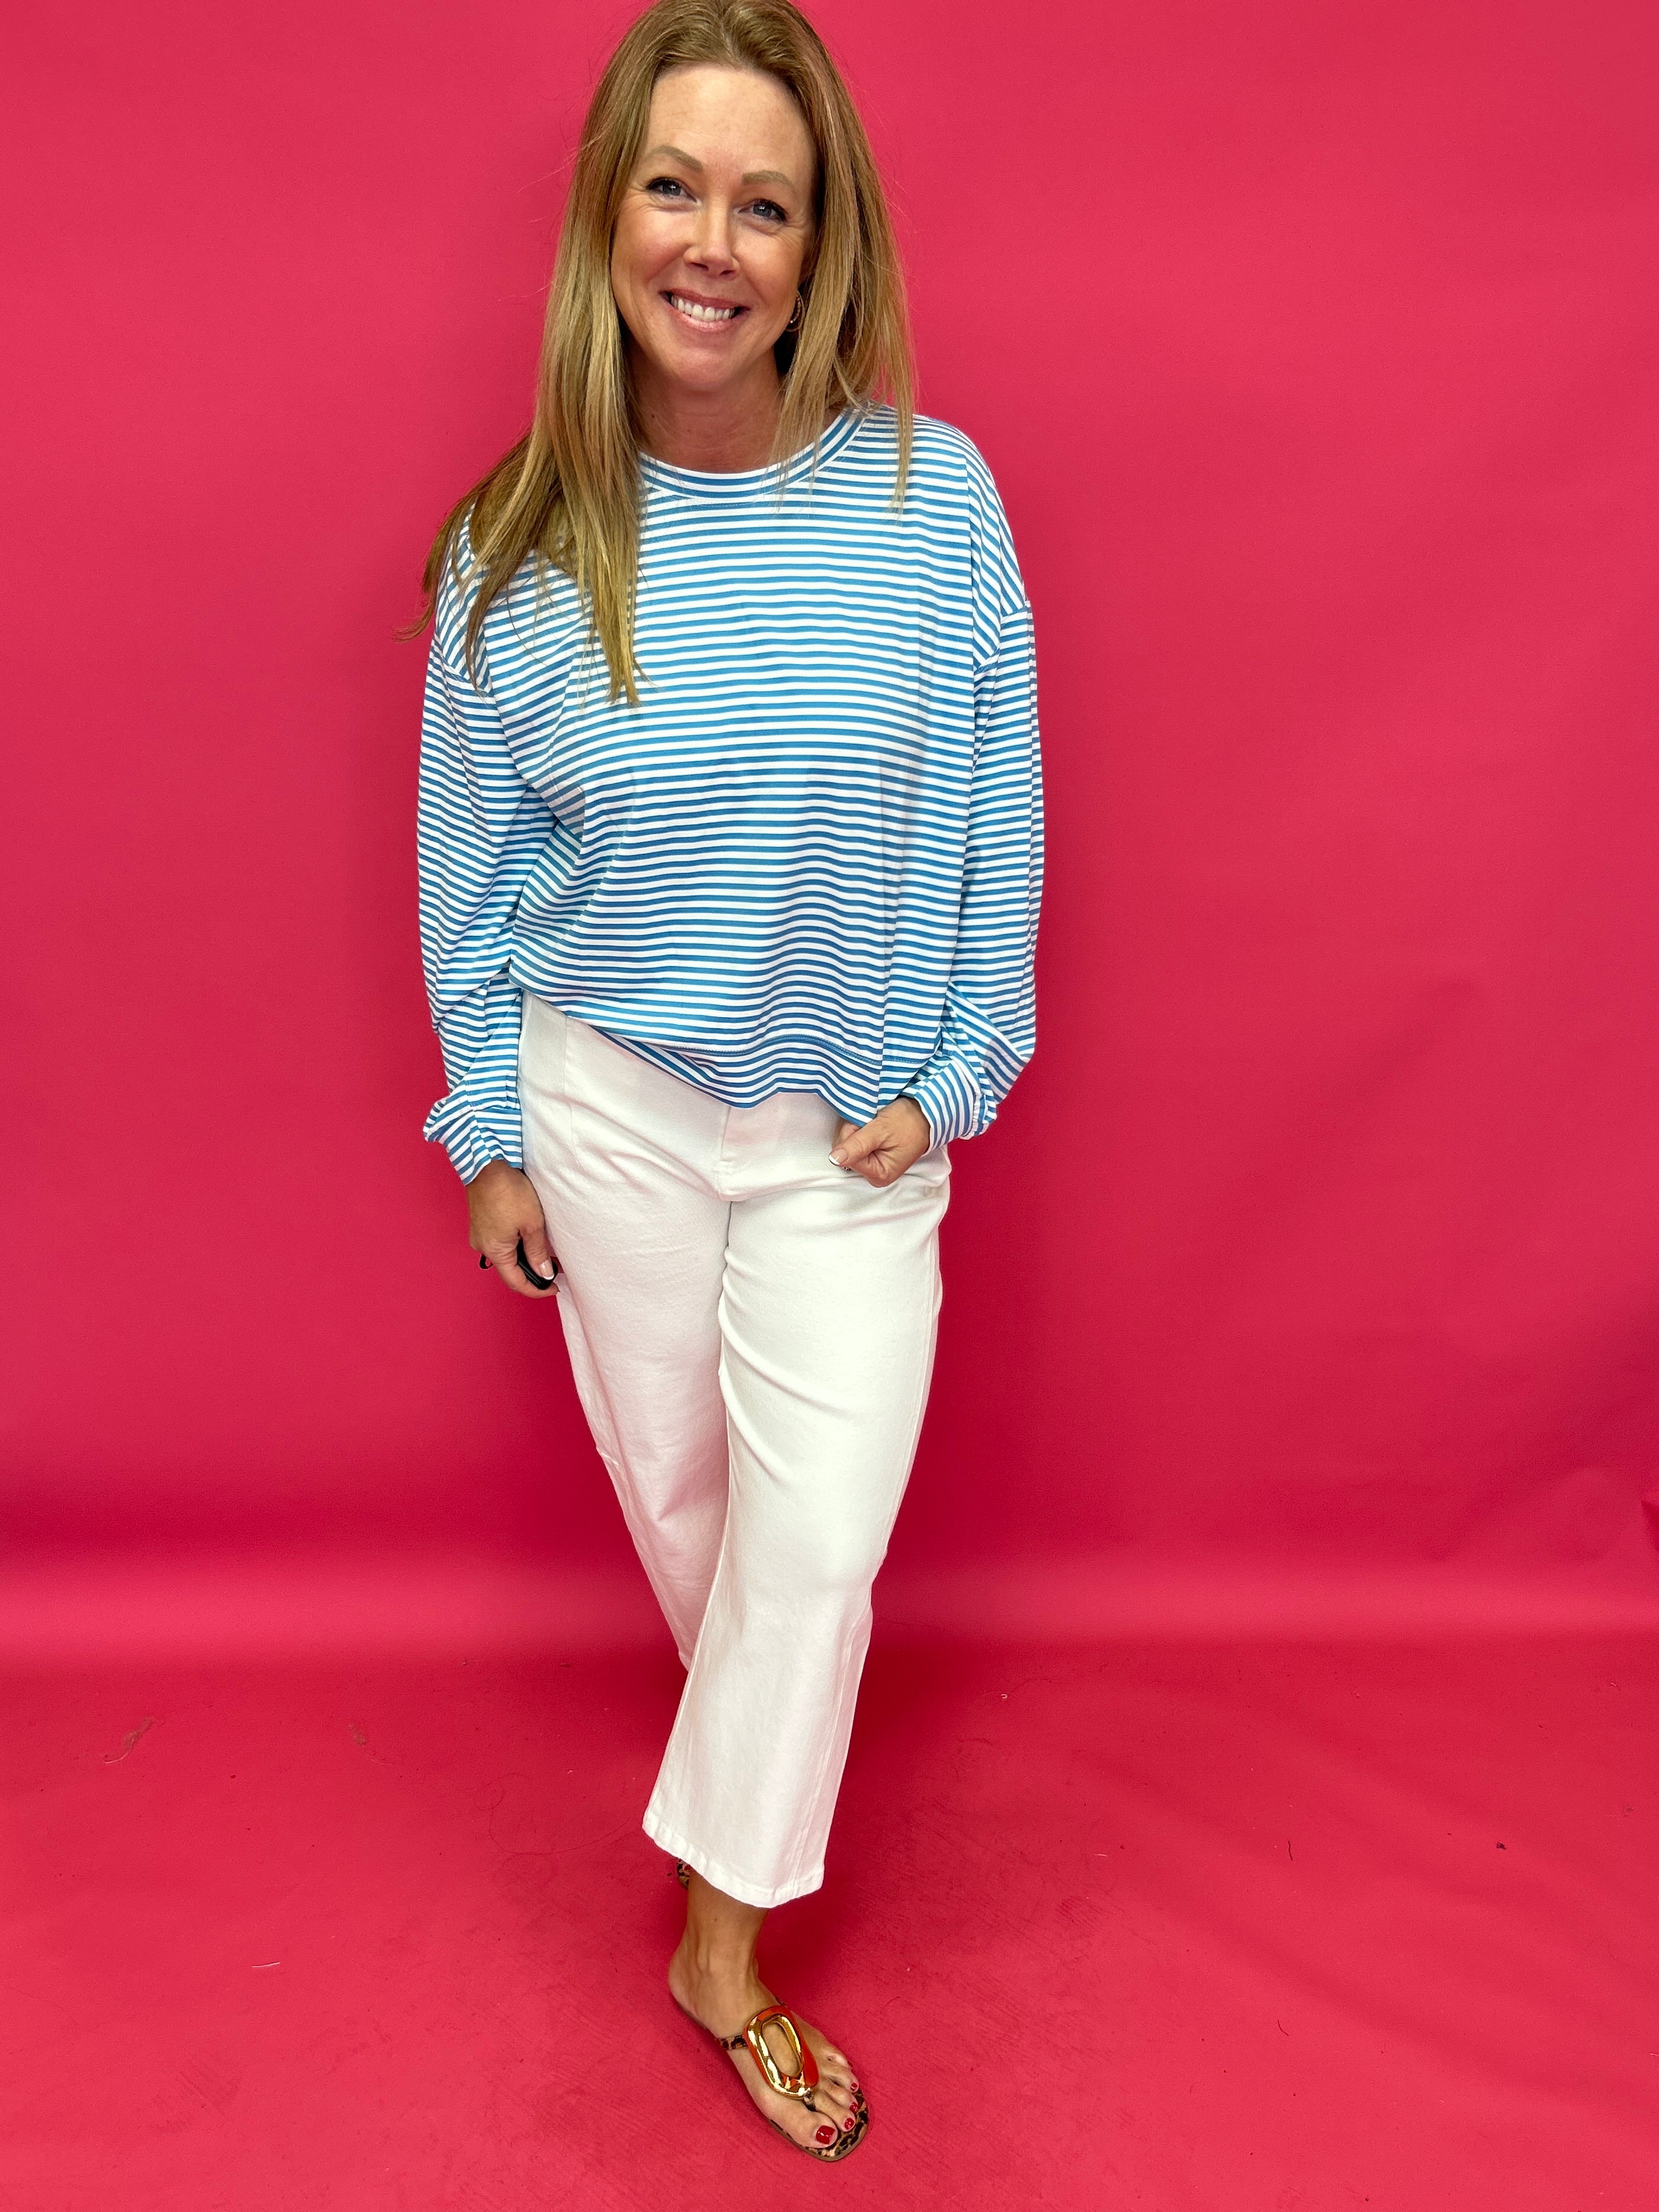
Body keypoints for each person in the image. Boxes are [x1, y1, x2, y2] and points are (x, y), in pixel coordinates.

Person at [413, 0, 1041, 2163]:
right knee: (693, 1516)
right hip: (609, 1110)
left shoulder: (931, 502)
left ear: (816, 243)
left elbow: (999, 803)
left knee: (816, 1541)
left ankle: (719, 1948)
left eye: (763, 204)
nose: (713, 242)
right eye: (674, 187)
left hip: (847, 1128)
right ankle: (748, 1780)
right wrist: (490, 1129)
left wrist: (962, 1063)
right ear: (607, 216)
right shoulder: (514, 546)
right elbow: (472, 867)